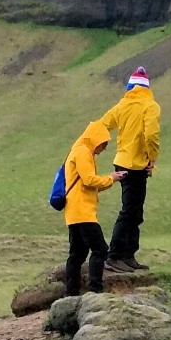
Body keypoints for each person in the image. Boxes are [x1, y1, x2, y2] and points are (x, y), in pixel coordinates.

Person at [96, 64, 162, 269]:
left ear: (130, 87)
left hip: (121, 160)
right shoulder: (151, 106)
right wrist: (152, 158)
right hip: (136, 164)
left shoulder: (122, 105)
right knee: (131, 212)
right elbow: (151, 135)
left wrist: (95, 146)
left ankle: (128, 255)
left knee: (133, 211)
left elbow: (102, 124)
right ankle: (115, 256)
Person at [61, 122, 123, 295]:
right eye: (103, 143)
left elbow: (89, 184)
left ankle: (71, 292)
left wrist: (112, 179)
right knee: (100, 249)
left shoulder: (79, 151)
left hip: (75, 211)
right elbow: (89, 180)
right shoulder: (82, 152)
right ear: (95, 139)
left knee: (77, 253)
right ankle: (95, 289)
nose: (103, 148)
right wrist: (110, 177)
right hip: (83, 212)